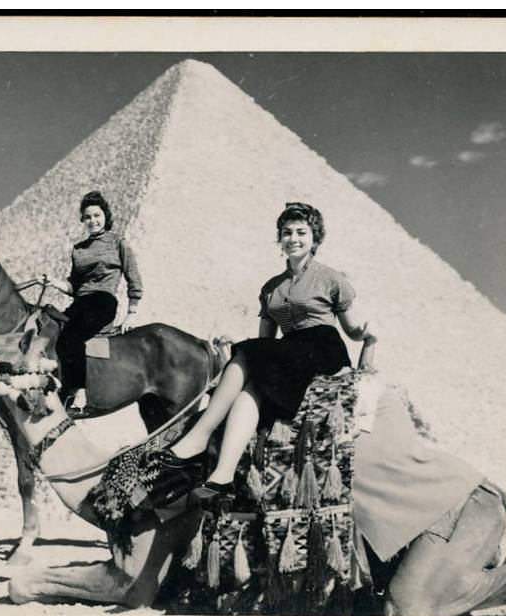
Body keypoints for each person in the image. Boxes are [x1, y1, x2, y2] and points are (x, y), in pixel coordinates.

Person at [165, 202, 375, 499]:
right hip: (288, 352)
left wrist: (367, 335)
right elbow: (264, 341)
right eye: (287, 232)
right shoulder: (270, 288)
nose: (294, 238)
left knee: (251, 354)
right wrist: (233, 344)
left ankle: (199, 436)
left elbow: (351, 330)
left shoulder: (331, 278)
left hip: (322, 348)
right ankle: (223, 475)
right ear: (279, 238)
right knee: (252, 384)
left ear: (315, 238)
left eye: (302, 232)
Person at [50, 191, 143, 412]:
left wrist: (132, 312)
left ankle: (79, 394)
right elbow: (75, 287)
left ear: (105, 216)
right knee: (49, 333)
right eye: (88, 216)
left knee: (70, 338)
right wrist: (53, 282)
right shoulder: (78, 250)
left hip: (103, 301)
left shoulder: (118, 242)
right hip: (80, 303)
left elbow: (134, 278)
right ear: (83, 220)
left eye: (97, 215)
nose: (93, 220)